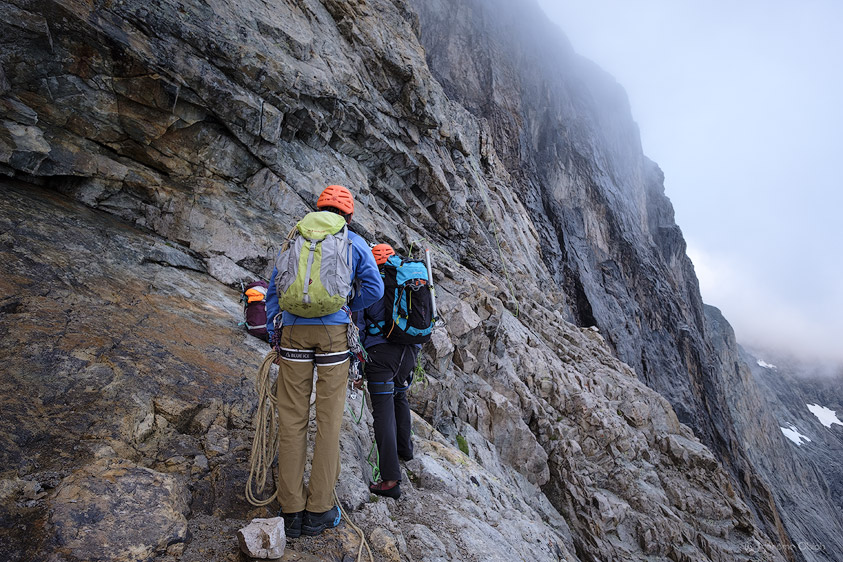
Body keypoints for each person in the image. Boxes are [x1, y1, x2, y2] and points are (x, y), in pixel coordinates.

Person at [265, 185, 383, 537]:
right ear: (348, 215)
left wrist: (277, 328)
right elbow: (374, 290)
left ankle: (290, 509)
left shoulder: (295, 235)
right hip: (333, 337)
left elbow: (276, 289)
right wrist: (344, 306)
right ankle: (319, 510)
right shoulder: (352, 241)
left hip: (293, 335)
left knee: (292, 419)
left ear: (318, 208)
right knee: (329, 421)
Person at [355, 243, 421, 499]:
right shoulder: (407, 281)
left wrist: (358, 363)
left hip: (381, 355)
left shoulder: (367, 283)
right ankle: (405, 450)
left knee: (382, 410)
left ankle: (391, 480)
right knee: (399, 395)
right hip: (409, 350)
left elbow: (359, 326)